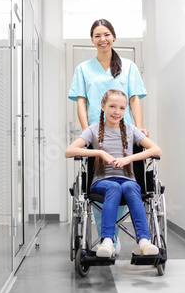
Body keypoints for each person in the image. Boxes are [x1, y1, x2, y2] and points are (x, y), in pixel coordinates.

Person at [68, 19, 149, 252]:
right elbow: (81, 102)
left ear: (113, 37)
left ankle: (112, 235)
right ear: (91, 40)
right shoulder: (83, 69)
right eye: (97, 35)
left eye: (106, 34)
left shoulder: (129, 66)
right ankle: (108, 236)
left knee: (124, 180)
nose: (102, 39)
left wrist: (139, 128)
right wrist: (88, 132)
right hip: (97, 134)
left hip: (124, 134)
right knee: (100, 183)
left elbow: (134, 99)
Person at [65, 89, 162, 257]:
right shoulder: (93, 130)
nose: (117, 112)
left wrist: (128, 159)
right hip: (102, 181)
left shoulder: (131, 130)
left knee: (132, 187)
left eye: (122, 108)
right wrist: (100, 153)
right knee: (113, 188)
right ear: (103, 107)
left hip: (127, 180)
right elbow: (69, 151)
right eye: (112, 106)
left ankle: (144, 241)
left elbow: (156, 149)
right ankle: (108, 241)